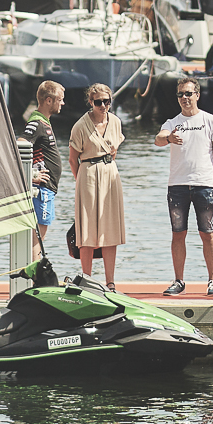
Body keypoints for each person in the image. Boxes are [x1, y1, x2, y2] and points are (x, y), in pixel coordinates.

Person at [153, 76, 213, 296]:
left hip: (204, 184)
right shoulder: (172, 123)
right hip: (177, 186)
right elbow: (159, 138)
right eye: (180, 95)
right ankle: (179, 280)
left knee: (208, 233)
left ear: (197, 95)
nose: (184, 98)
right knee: (178, 233)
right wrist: (168, 139)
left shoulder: (211, 120)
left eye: (188, 94)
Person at [68, 83, 126, 287]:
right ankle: (87, 280)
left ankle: (110, 282)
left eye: (107, 101)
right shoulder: (80, 126)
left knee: (111, 229)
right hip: (88, 174)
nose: (103, 106)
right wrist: (80, 181)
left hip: (110, 174)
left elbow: (114, 150)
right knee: (87, 232)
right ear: (91, 102)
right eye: (99, 102)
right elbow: (72, 158)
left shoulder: (116, 122)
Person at [23, 81, 65, 260]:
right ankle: (35, 280)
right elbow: (20, 146)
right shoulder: (37, 124)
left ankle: (35, 276)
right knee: (37, 237)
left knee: (39, 235)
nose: (62, 103)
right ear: (49, 100)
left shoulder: (44, 122)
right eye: (60, 100)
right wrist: (32, 175)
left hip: (47, 190)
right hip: (42, 190)